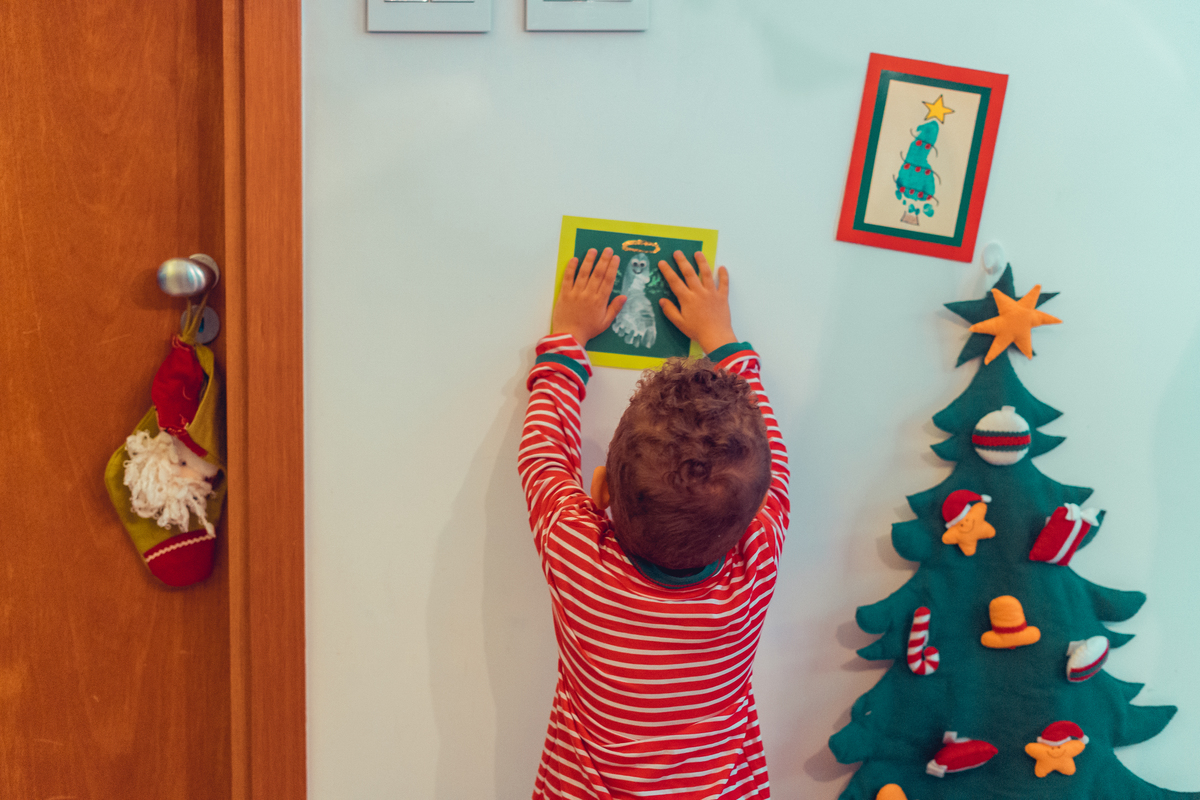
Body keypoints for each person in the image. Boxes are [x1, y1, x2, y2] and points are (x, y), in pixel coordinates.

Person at [519, 246, 790, 799]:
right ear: (752, 520)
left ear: (599, 493)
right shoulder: (754, 564)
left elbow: (542, 456)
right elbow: (774, 462)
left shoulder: (579, 557)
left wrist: (568, 338)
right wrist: (724, 340)